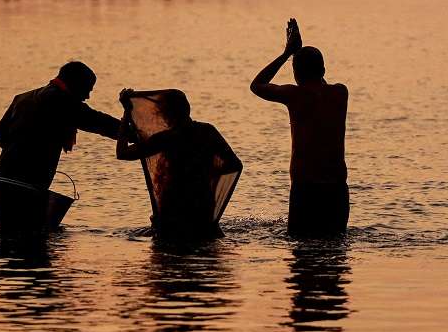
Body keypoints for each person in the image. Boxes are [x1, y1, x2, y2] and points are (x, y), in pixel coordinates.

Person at [0, 61, 120, 232]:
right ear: (74, 83)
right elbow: (97, 122)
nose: (87, 96)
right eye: (87, 89)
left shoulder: (22, 98)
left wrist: (23, 151)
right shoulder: (61, 101)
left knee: (11, 243)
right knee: (34, 247)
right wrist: (138, 133)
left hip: (0, 184)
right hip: (26, 189)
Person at [250, 19, 349, 236]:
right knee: (336, 250)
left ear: (295, 73)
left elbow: (256, 85)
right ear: (323, 69)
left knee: (301, 250)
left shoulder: (293, 95)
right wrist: (301, 54)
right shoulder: (340, 93)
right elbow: (319, 83)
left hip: (306, 186)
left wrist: (287, 53)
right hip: (337, 186)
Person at [116, 89, 242, 239]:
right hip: (203, 204)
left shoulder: (166, 138)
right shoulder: (207, 131)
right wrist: (208, 175)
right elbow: (234, 165)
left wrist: (126, 114)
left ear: (166, 114)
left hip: (174, 206)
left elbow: (122, 153)